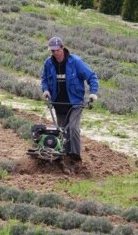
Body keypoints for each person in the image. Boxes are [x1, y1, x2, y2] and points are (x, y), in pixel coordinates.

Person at [40, 36, 98, 171]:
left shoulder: (75, 62)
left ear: (62, 48)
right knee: (60, 132)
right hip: (58, 102)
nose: (54, 53)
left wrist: (93, 93)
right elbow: (44, 79)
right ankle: (62, 157)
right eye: (52, 51)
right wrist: (46, 90)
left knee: (72, 128)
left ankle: (75, 157)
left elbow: (91, 76)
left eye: (56, 50)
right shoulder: (48, 63)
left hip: (75, 103)